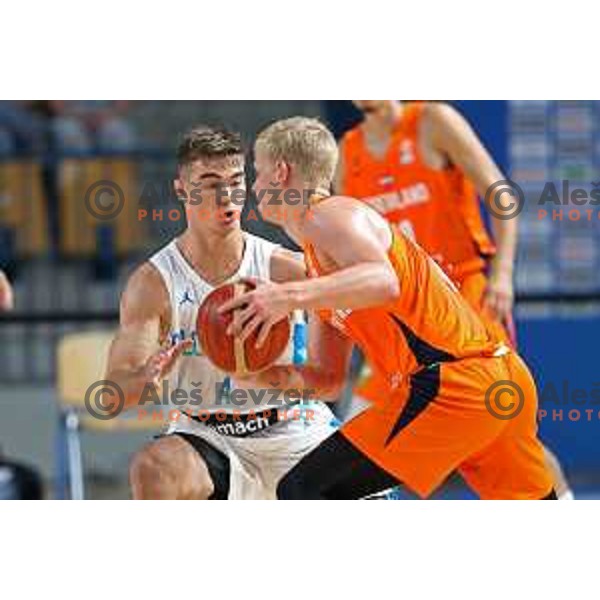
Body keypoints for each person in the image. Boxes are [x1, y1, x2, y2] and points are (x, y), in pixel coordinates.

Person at [221, 116, 556, 500]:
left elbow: (384, 280)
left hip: (452, 382)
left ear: (281, 172)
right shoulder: (317, 267)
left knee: (303, 489)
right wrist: (258, 374)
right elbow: (327, 378)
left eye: (257, 173)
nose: (255, 186)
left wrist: (286, 296)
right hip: (496, 380)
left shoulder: (330, 214)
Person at [336, 100, 572, 499]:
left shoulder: (433, 121)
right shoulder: (349, 151)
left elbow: (499, 192)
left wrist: (504, 271)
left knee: (505, 440)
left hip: (467, 304)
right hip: (407, 319)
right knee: (357, 436)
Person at [104, 125, 336, 499]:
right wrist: (146, 377)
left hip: (294, 426)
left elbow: (355, 316)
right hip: (208, 435)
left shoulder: (284, 268)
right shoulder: (153, 283)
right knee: (155, 467)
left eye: (236, 180)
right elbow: (114, 394)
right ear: (181, 190)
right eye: (210, 182)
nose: (226, 195)